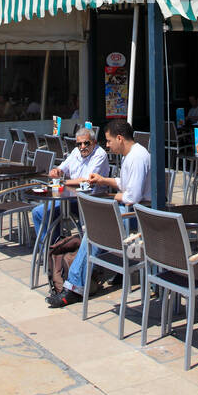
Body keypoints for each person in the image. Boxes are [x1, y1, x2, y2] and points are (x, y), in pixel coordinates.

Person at [48, 120, 150, 308]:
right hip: (131, 211)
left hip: (138, 217)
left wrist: (110, 196)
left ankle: (74, 287)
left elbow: (131, 197)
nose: (108, 144)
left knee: (97, 228)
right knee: (94, 226)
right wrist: (104, 180)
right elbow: (124, 183)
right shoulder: (130, 155)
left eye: (109, 140)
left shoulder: (136, 157)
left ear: (120, 138)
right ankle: (77, 279)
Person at [32, 127, 110, 242]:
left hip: (90, 200)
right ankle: (50, 250)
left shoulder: (100, 155)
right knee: (38, 212)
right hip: (70, 198)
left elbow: (88, 180)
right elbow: (61, 168)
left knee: (48, 213)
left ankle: (55, 247)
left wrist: (64, 182)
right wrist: (56, 171)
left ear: (94, 142)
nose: (82, 147)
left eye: (86, 143)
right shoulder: (75, 152)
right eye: (79, 144)